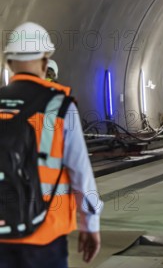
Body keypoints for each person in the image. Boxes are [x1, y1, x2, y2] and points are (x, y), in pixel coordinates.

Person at [0, 22, 102, 267]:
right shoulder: (60, 107)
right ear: (45, 61)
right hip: (45, 235)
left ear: (9, 63)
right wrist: (90, 225)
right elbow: (81, 174)